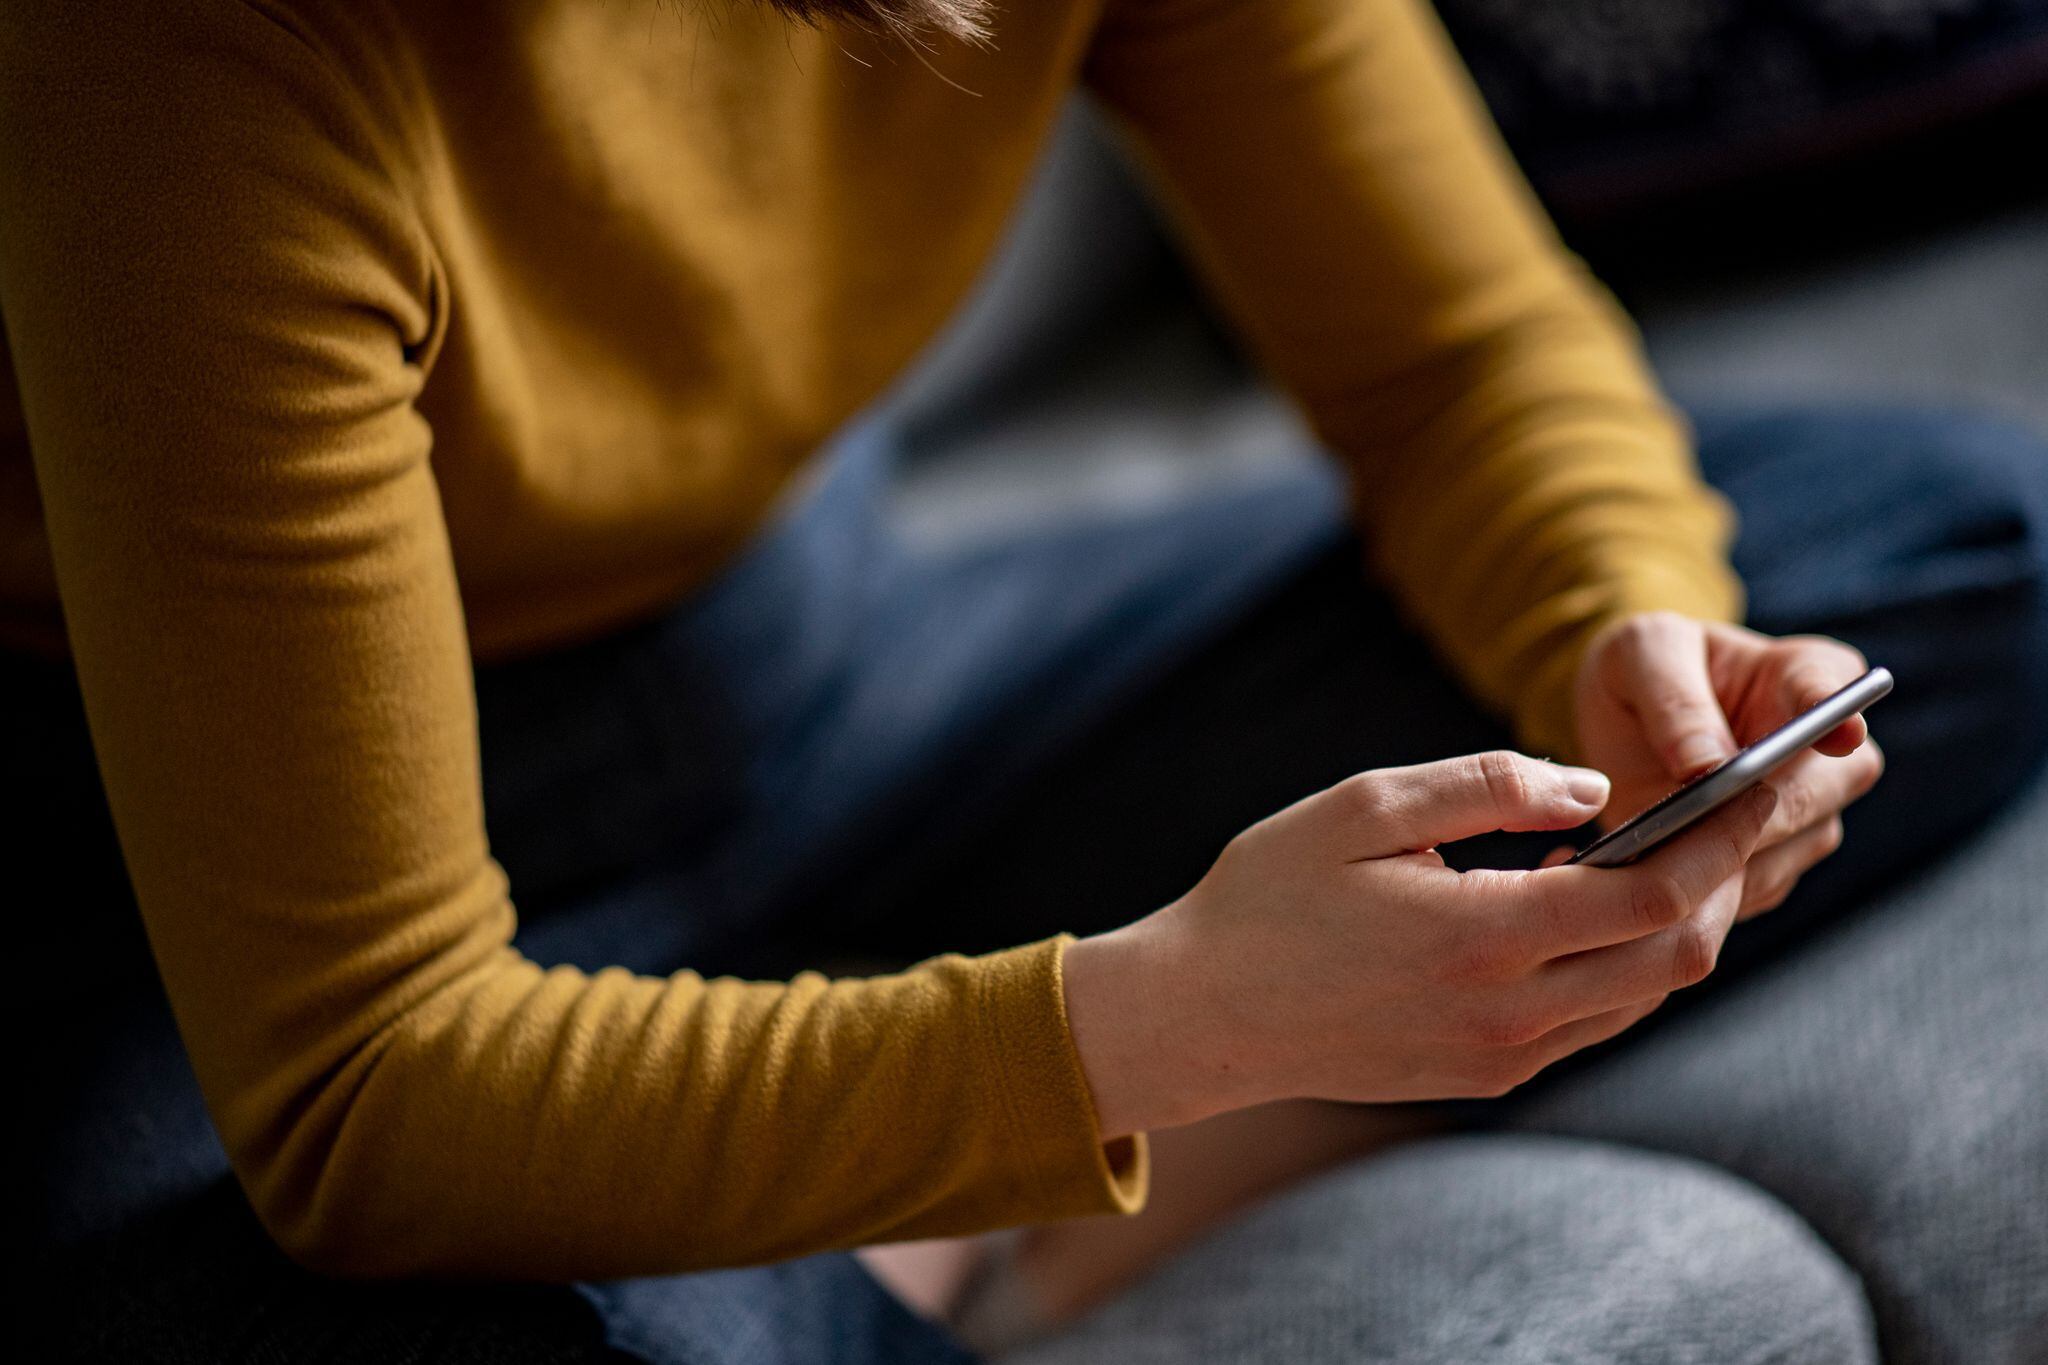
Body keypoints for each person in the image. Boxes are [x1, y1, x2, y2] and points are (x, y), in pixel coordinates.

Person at [3, 0, 2043, 1361]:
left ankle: (915, 1179)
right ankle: (931, 1172)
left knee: (1951, 549)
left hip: (823, 656)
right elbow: (366, 1082)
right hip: (232, 865)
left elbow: (1453, 361)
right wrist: (1152, 1021)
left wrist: (1629, 641)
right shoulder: (193, 64)